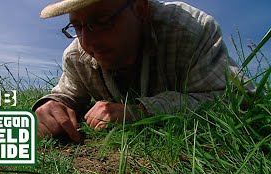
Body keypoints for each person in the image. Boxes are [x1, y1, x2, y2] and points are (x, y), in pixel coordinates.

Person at [33, 0, 255, 143]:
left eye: (102, 21)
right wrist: (51, 106)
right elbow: (66, 94)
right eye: (78, 27)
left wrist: (143, 111)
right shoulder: (76, 55)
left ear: (141, 8)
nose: (88, 42)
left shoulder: (189, 31)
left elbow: (238, 100)